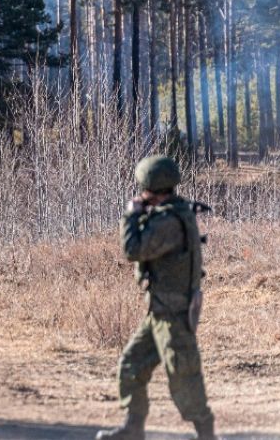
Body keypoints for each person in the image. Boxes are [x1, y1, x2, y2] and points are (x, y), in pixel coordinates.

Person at [96, 155, 216, 440]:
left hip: (174, 314)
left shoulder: (169, 221)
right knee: (131, 365)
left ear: (151, 187)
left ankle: (207, 435)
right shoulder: (171, 213)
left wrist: (131, 215)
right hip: (160, 311)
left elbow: (133, 250)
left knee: (184, 377)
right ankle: (133, 428)